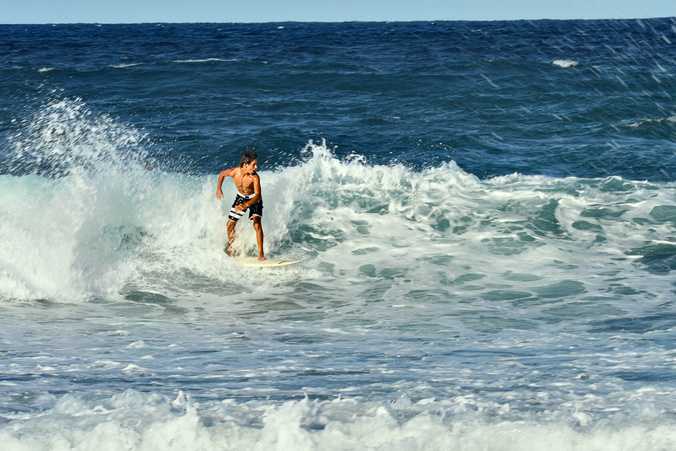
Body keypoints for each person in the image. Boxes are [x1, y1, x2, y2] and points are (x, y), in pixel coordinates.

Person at [216, 151, 265, 261]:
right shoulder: (234, 172)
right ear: (246, 165)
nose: (256, 167)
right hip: (241, 197)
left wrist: (245, 205)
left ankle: (261, 254)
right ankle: (232, 248)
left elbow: (258, 195)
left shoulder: (255, 177)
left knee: (257, 225)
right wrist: (219, 188)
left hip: (254, 199)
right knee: (229, 225)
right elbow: (222, 174)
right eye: (254, 165)